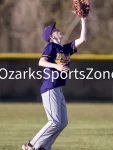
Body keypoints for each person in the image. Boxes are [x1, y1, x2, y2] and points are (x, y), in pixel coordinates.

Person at [22, 17, 87, 150]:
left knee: (63, 122)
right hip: (50, 87)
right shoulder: (51, 46)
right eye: (55, 30)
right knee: (54, 121)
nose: (58, 30)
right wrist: (56, 66)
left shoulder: (64, 48)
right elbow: (41, 62)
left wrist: (83, 19)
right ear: (51, 36)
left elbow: (82, 39)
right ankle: (31, 145)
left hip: (58, 88)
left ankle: (44, 147)